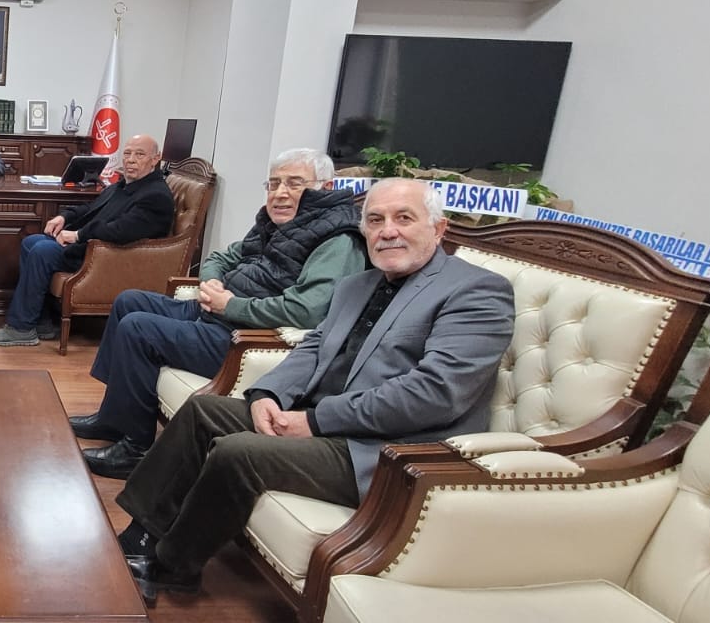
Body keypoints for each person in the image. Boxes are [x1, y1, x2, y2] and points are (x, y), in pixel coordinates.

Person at [112, 178, 515, 598]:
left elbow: (436, 392)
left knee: (238, 451)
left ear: (439, 229)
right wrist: (267, 394)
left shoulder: (476, 290)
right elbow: (314, 346)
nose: (387, 230)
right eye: (375, 220)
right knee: (203, 411)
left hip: (386, 449)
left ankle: (172, 565)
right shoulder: (359, 284)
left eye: (404, 218)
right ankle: (138, 538)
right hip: (319, 416)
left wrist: (317, 421)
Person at [75, 149, 368, 478]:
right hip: (217, 311)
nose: (280, 193)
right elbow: (222, 256)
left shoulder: (338, 239)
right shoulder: (274, 222)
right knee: (129, 301)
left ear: (325, 187)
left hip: (241, 336)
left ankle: (135, 449)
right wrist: (211, 282)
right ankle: (114, 418)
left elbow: (308, 310)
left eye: (294, 183)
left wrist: (232, 305)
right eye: (273, 184)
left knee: (138, 328)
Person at [0, 133, 174, 347]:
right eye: (127, 153)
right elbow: (91, 209)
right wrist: (63, 216)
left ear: (155, 159)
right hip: (94, 247)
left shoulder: (155, 196)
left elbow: (121, 231)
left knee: (42, 252)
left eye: (140, 155)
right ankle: (41, 321)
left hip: (108, 257)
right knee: (32, 242)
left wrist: (77, 235)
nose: (130, 160)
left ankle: (21, 327)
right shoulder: (124, 185)